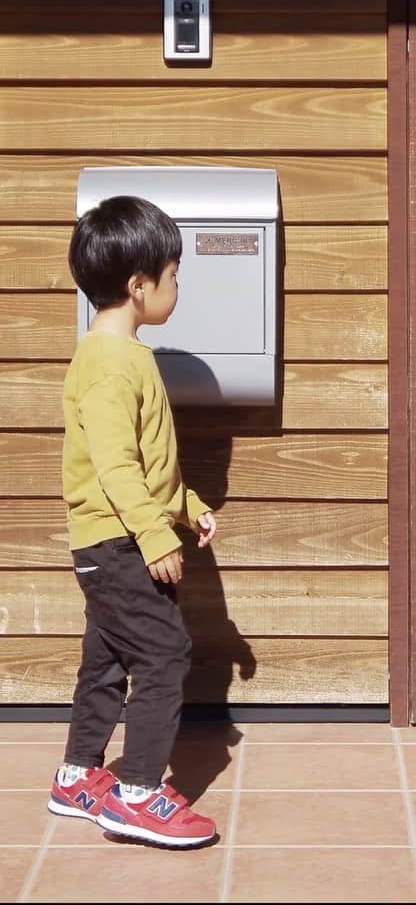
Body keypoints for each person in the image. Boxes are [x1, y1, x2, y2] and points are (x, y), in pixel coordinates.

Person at [46, 194, 218, 848]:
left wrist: (187, 505)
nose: (178, 287)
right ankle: (138, 794)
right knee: (164, 654)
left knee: (105, 659)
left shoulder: (115, 356)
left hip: (108, 540)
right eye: (175, 276)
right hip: (118, 542)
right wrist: (152, 533)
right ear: (139, 284)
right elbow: (118, 468)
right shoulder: (113, 364)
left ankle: (77, 777)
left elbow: (146, 465)